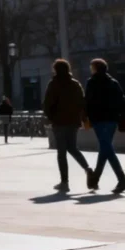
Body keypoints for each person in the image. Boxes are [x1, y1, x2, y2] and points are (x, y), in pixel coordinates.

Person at [84, 57, 125, 193]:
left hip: (98, 120)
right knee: (105, 148)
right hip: (112, 120)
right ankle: (95, 180)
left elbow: (87, 101)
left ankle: (122, 180)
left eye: (91, 67)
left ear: (95, 68)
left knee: (107, 149)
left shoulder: (91, 82)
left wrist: (86, 117)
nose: (90, 69)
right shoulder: (113, 82)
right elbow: (122, 100)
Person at [43, 58, 90, 191]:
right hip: (73, 121)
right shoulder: (75, 84)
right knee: (73, 147)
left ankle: (64, 182)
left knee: (61, 152)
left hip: (59, 122)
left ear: (55, 70)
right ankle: (87, 169)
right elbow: (82, 102)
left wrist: (51, 117)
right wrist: (81, 118)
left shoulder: (54, 84)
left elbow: (47, 103)